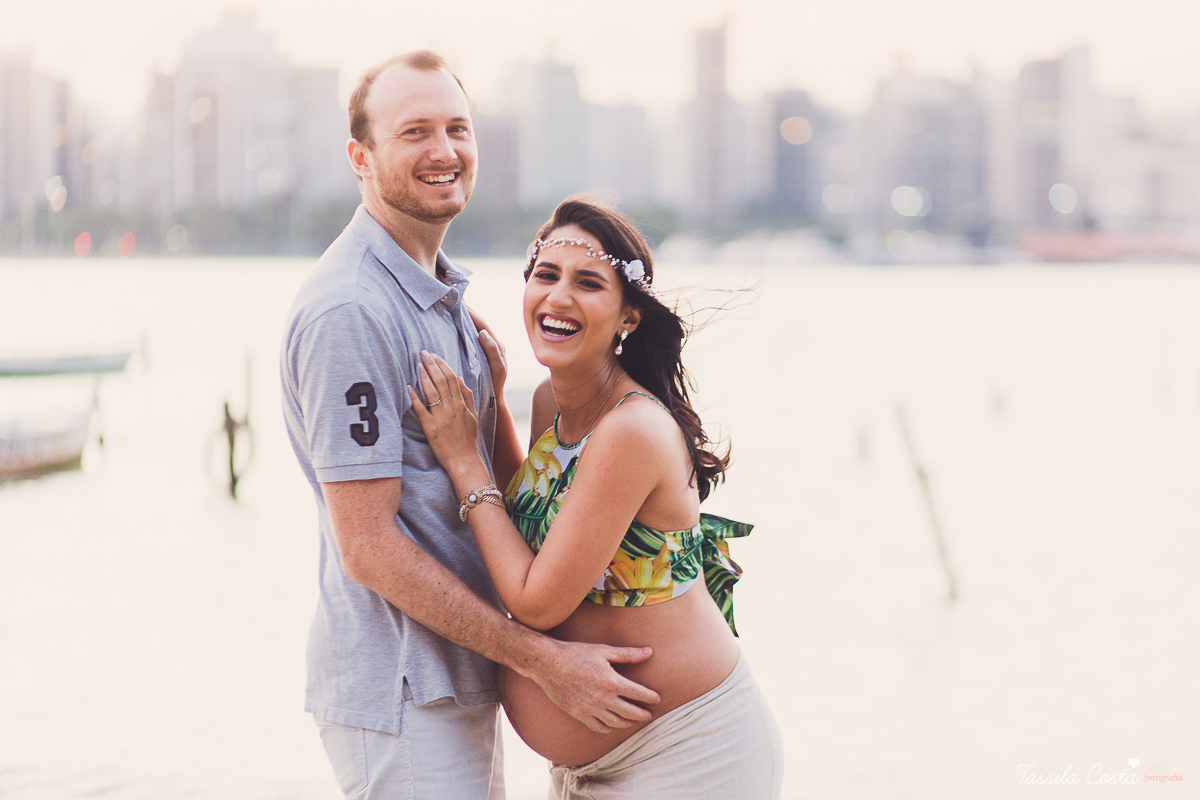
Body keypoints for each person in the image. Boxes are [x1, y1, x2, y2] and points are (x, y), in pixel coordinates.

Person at [279, 54, 659, 800]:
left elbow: (491, 501)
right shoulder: (351, 310)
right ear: (361, 158)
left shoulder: (437, 298)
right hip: (401, 693)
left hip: (455, 680)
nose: (444, 151)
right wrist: (543, 662)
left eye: (457, 128)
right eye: (414, 131)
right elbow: (369, 548)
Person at [411, 196, 784, 799]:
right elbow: (528, 513)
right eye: (545, 275)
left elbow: (536, 601)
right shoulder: (551, 405)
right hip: (597, 767)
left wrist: (460, 458)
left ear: (627, 317)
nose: (558, 297)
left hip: (692, 753)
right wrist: (493, 404)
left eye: (588, 283)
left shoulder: (631, 431)